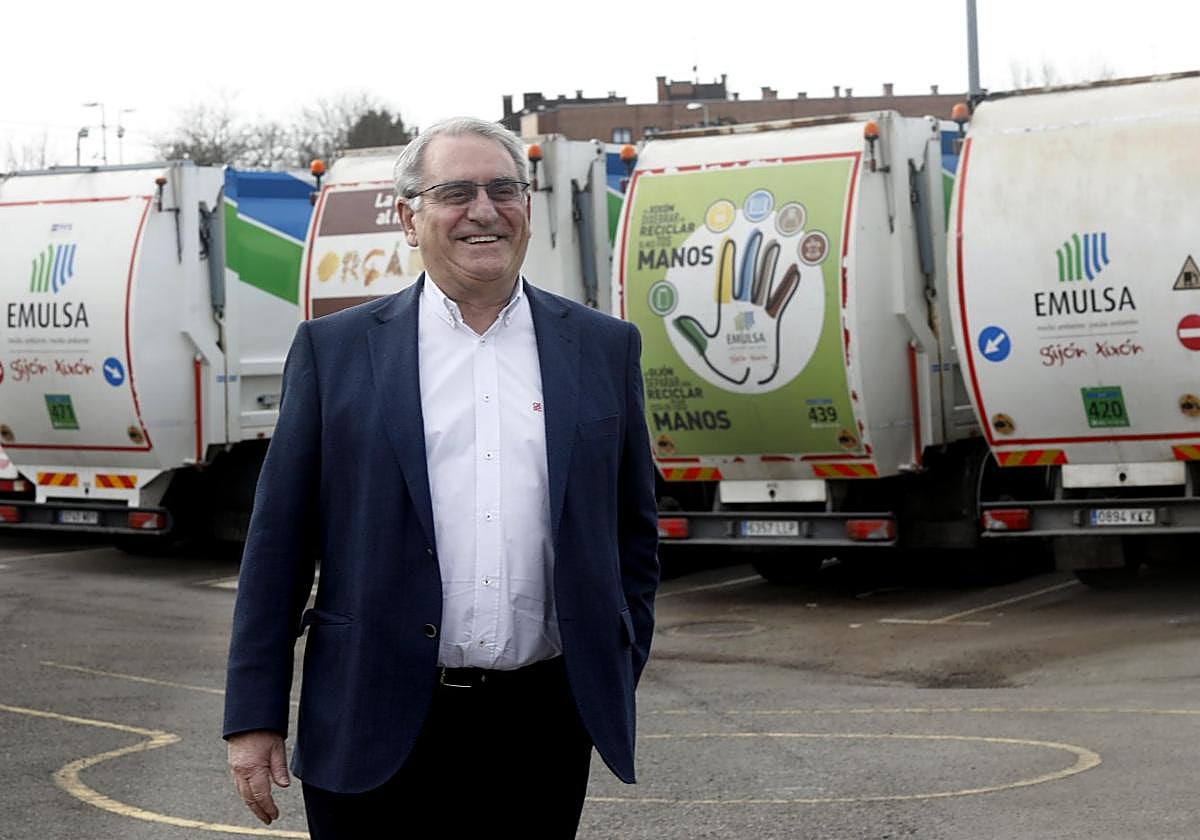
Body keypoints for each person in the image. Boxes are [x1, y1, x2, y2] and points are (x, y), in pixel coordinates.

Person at [223, 116, 660, 838]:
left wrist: (611, 664)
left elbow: (633, 535)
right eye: (456, 192)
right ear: (409, 218)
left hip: (542, 729)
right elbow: (278, 549)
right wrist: (253, 715)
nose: (484, 210)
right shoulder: (336, 353)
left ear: (527, 205)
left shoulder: (603, 348)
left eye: (503, 190)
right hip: (370, 718)